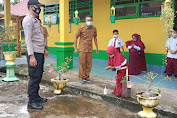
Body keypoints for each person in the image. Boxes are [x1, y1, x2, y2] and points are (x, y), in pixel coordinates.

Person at [22, 0, 49, 110]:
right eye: (37, 7)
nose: (39, 9)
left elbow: (40, 37)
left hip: (40, 52)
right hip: (34, 53)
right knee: (34, 77)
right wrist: (31, 56)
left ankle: (36, 97)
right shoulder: (28, 20)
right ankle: (31, 101)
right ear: (31, 7)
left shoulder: (36, 20)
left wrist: (45, 49)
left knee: (38, 75)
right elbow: (28, 39)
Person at [74, 15, 99, 84]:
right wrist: (75, 48)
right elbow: (76, 37)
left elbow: (95, 38)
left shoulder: (94, 29)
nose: (89, 22)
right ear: (85, 21)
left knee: (89, 64)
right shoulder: (81, 28)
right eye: (88, 20)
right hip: (82, 49)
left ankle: (86, 77)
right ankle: (81, 78)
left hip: (90, 49)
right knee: (82, 63)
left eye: (90, 20)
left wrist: (97, 47)